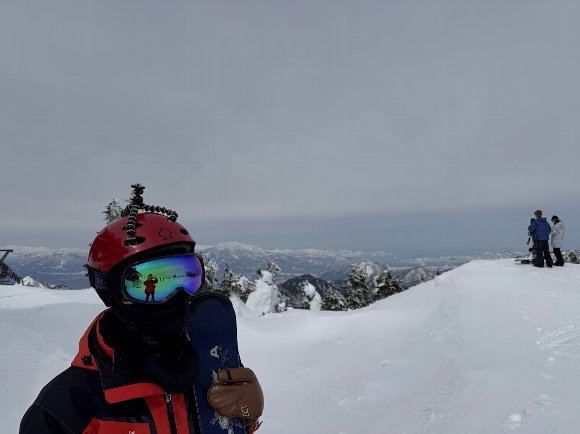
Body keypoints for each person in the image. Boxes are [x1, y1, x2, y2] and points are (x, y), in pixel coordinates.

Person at [20, 184, 263, 434]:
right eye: (157, 280)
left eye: (186, 275)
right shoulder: (65, 409)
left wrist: (245, 420)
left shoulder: (206, 371)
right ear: (112, 291)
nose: (177, 295)